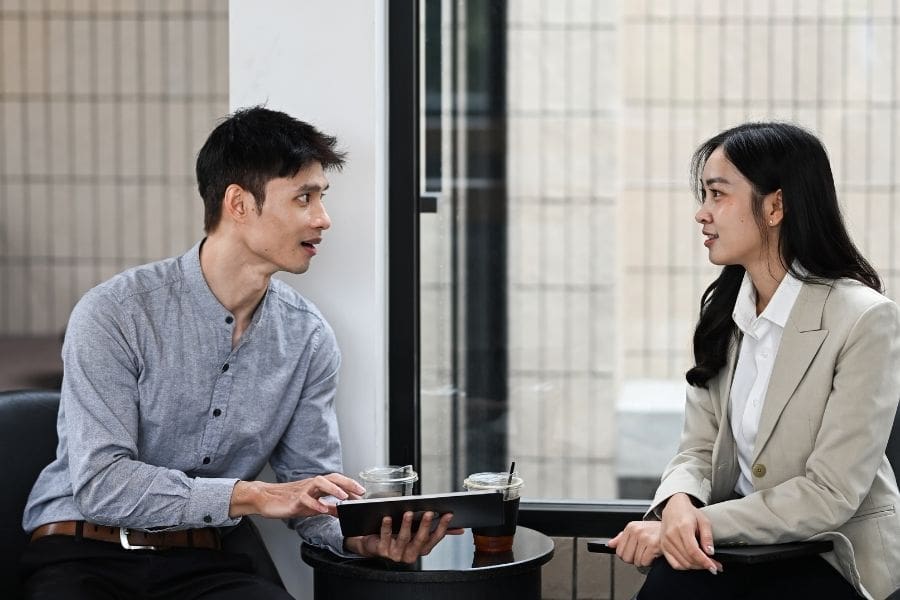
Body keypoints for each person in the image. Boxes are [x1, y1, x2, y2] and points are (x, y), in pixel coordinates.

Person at [20, 106, 458, 599]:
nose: (324, 218)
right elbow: (103, 485)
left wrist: (360, 539)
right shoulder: (115, 314)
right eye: (304, 198)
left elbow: (308, 491)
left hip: (204, 563)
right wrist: (253, 495)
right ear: (239, 203)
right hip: (81, 553)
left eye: (322, 198)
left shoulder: (308, 340)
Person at [608, 122, 900, 600]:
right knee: (668, 588)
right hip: (735, 546)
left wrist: (696, 523)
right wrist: (678, 505)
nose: (701, 213)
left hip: (829, 555)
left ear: (775, 206)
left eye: (717, 194)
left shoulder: (864, 319)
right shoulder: (724, 312)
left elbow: (830, 493)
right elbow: (697, 451)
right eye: (703, 194)